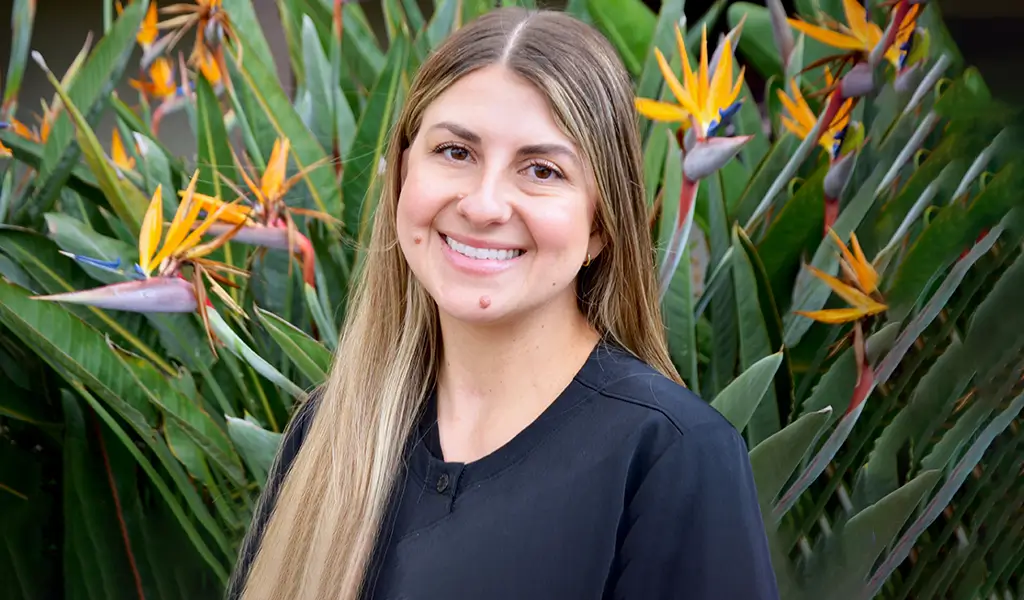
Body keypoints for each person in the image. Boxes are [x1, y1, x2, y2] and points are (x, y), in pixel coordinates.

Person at [227, 7, 779, 600]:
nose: (484, 205)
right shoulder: (329, 433)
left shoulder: (669, 458)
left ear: (601, 224)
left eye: (541, 170)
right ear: (403, 178)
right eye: (455, 152)